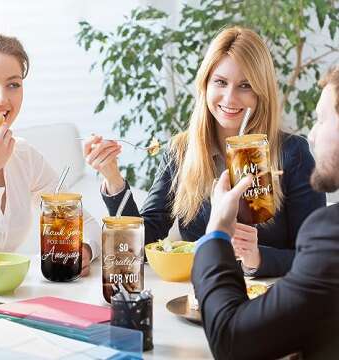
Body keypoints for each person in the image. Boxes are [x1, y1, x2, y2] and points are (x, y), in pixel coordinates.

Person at [84, 26, 325, 277]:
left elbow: (316, 257)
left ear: (261, 92)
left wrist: (257, 257)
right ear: (205, 85)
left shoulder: (292, 154)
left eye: (245, 85)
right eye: (220, 82)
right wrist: (112, 177)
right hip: (200, 299)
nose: (230, 98)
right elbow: (140, 246)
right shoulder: (181, 151)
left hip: (270, 302)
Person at [192, 66, 339, 359]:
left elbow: (232, 340)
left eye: (321, 120)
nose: (311, 136)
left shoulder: (330, 234)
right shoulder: (184, 150)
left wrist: (218, 230)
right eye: (220, 82)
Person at [0, 33, 100, 276]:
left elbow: (84, 224)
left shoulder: (23, 155)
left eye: (13, 84)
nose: (2, 99)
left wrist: (82, 250)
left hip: (6, 303)